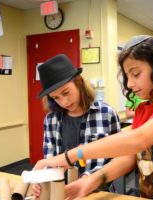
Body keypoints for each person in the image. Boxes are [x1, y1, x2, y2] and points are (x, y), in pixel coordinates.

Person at [33, 36, 153, 200]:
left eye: (136, 74)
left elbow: (138, 140)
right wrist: (91, 180)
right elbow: (129, 156)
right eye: (127, 76)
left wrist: (70, 156)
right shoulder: (142, 110)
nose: (130, 84)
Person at [31, 54, 121, 198]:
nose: (64, 102)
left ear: (78, 82)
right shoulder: (51, 120)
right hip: (62, 193)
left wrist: (89, 179)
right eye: (56, 98)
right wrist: (42, 180)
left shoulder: (106, 113)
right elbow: (50, 159)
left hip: (98, 192)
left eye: (66, 93)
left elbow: (118, 158)